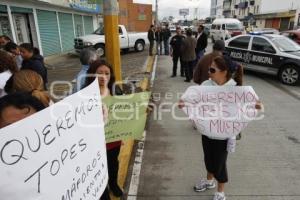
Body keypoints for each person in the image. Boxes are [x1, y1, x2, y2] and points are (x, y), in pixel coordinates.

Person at [179, 56, 261, 200]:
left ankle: (220, 192)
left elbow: (249, 105)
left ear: (224, 72)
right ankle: (209, 181)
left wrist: (255, 106)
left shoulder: (236, 89)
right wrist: (185, 104)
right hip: (207, 131)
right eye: (209, 69)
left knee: (220, 164)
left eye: (212, 69)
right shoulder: (206, 84)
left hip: (224, 134)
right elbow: (195, 100)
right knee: (208, 159)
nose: (209, 72)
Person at [85, 59, 123, 199]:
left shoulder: (116, 90)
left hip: (114, 138)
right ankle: (103, 190)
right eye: (99, 73)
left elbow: (124, 112)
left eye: (107, 73)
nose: (103, 76)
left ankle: (113, 184)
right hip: (95, 141)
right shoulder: (85, 94)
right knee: (98, 167)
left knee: (113, 163)